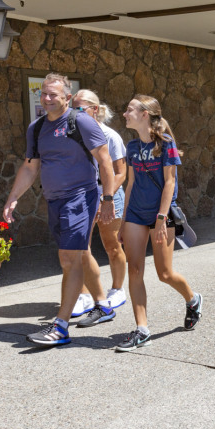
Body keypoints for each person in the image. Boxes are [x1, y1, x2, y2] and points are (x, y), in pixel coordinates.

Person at [3, 73, 119, 346]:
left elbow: (105, 162)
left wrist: (108, 199)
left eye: (52, 94)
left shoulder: (82, 122)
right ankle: (103, 306)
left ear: (67, 98)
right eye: (43, 93)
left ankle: (60, 326)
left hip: (80, 198)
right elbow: (31, 166)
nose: (46, 98)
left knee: (69, 259)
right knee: (79, 254)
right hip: (54, 200)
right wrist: (13, 198)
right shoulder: (37, 127)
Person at [116, 94, 203, 351]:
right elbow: (130, 184)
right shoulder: (131, 147)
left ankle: (193, 299)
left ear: (144, 114)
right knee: (134, 270)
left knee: (164, 273)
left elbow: (170, 182)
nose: (125, 113)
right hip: (135, 215)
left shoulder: (166, 144)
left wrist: (162, 217)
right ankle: (142, 329)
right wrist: (123, 221)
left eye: (129, 109)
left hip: (159, 216)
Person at [70, 90, 128, 317]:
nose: (75, 113)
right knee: (81, 248)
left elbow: (121, 173)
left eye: (80, 108)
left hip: (108, 194)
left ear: (95, 110)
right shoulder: (71, 136)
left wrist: (106, 198)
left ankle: (117, 289)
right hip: (82, 195)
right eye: (72, 108)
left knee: (112, 245)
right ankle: (84, 295)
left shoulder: (110, 135)